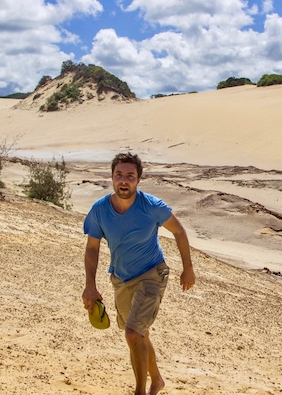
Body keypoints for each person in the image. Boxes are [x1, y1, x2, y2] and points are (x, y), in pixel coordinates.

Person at [82, 152, 196, 395]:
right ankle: (157, 381)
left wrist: (188, 268)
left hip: (152, 274)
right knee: (137, 334)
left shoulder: (152, 206)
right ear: (112, 178)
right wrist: (89, 285)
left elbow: (179, 231)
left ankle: (140, 392)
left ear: (139, 179)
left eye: (130, 176)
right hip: (121, 278)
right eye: (119, 175)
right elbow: (92, 248)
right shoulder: (100, 210)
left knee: (134, 332)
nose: (124, 181)